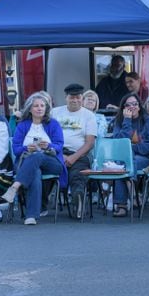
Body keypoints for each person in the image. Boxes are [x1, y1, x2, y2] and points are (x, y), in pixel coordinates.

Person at [2, 93, 66, 225]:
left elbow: (59, 145)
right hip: (29, 163)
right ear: (30, 109)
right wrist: (27, 149)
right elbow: (16, 149)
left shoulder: (53, 124)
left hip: (52, 162)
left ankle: (15, 186)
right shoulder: (23, 125)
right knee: (35, 172)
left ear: (46, 108)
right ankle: (31, 216)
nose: (39, 108)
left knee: (38, 155)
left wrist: (48, 146)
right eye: (36, 106)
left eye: (42, 106)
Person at [51, 83, 97, 219]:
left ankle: (78, 201)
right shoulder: (55, 112)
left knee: (78, 173)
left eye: (78, 97)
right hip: (57, 152)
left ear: (82, 98)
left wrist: (73, 157)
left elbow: (90, 143)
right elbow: (49, 136)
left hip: (80, 154)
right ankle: (42, 204)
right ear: (66, 98)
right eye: (72, 97)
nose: (75, 100)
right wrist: (62, 155)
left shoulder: (89, 116)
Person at [110, 94, 149, 217]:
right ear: (123, 108)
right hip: (127, 158)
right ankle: (133, 193)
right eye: (128, 104)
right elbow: (118, 143)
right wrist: (127, 121)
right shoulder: (120, 121)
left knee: (125, 162)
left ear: (140, 106)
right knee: (123, 162)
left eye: (135, 104)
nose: (132, 107)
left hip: (146, 158)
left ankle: (121, 205)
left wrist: (130, 148)